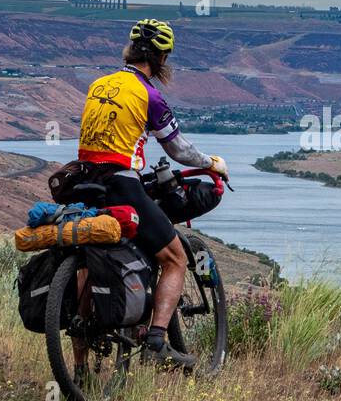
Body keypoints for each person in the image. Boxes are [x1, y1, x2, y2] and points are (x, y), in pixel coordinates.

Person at [76, 18, 228, 367]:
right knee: (175, 259)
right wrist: (211, 163)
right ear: (161, 59)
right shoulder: (150, 95)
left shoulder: (99, 84)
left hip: (83, 182)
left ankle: (79, 368)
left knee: (87, 261)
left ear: (129, 51)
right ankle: (157, 340)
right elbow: (178, 150)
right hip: (120, 184)